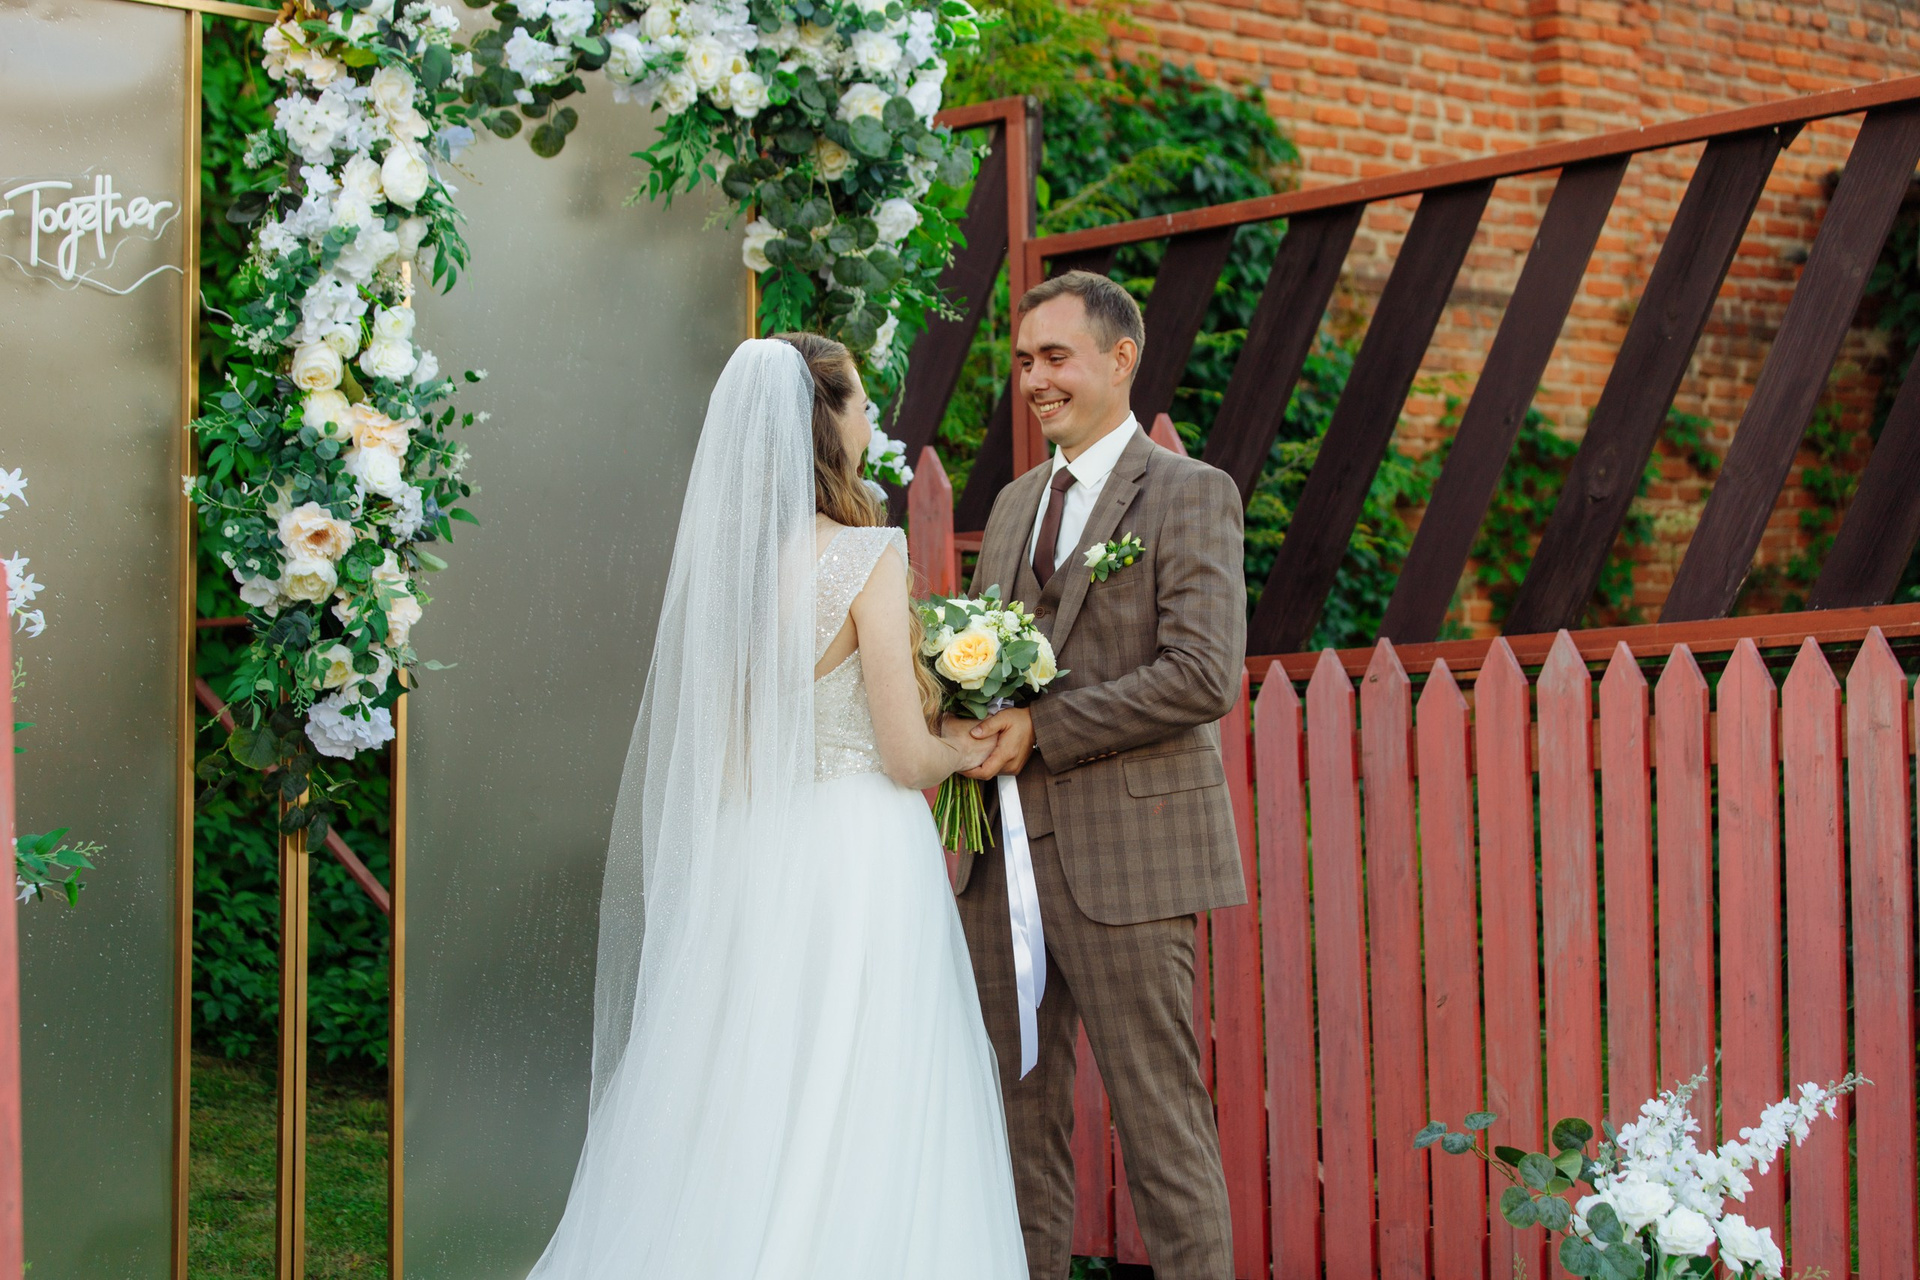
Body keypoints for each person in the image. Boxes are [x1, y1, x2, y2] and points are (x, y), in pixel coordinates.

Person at [524, 335, 1028, 1278]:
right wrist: (965, 749)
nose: (871, 420)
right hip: (858, 851)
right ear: (823, 422)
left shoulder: (729, 571)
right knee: (865, 1079)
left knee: (743, 1086)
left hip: (754, 851)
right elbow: (903, 753)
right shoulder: (866, 555)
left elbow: (723, 757)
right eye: (861, 403)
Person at [956, 271, 1249, 1280]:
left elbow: (1204, 674)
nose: (1035, 379)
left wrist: (1042, 728)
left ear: (1121, 359)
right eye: (1023, 360)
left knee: (1162, 1127)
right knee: (1014, 1130)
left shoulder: (1190, 492)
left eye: (1056, 357)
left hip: (1131, 860)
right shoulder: (1010, 506)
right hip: (998, 866)